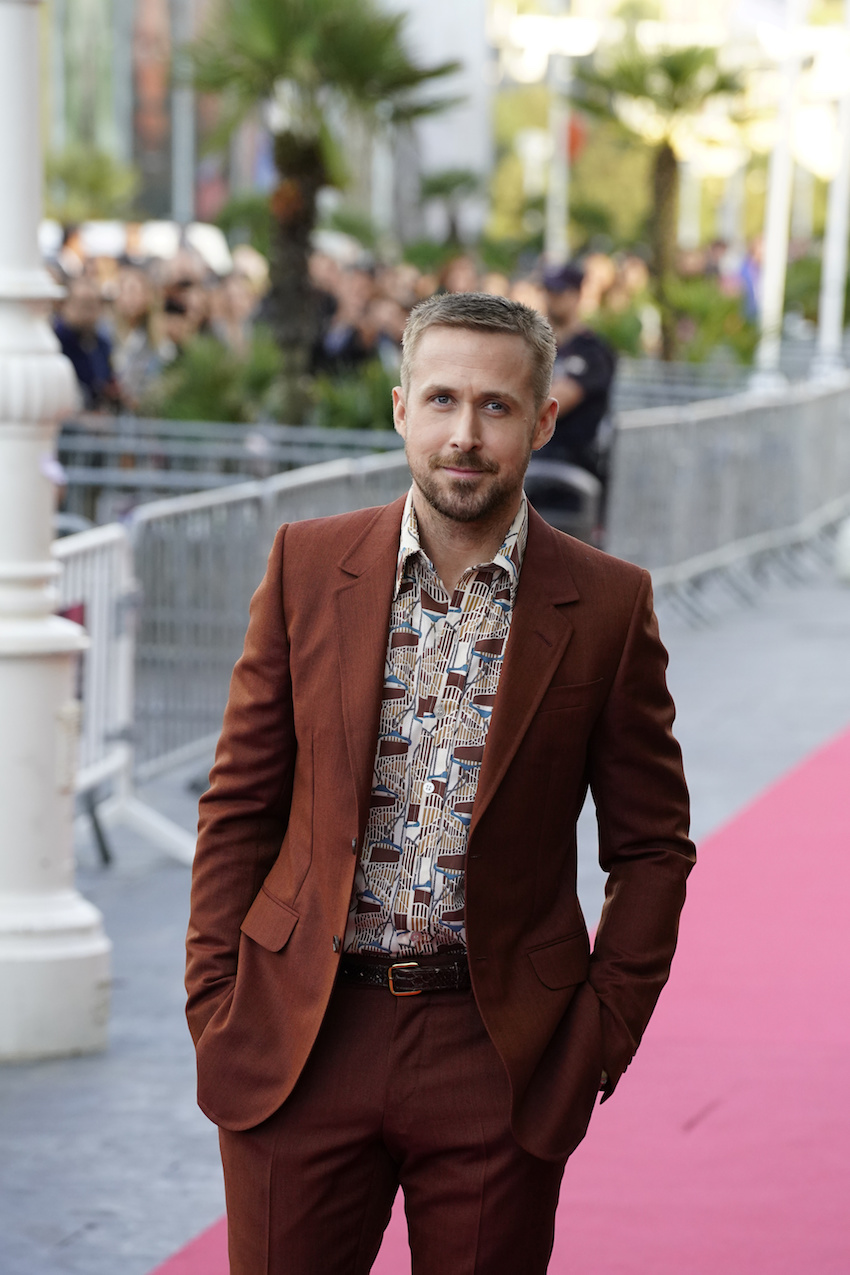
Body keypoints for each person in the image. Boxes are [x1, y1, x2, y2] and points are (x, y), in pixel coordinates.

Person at [186, 292, 695, 1274]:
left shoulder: (604, 603)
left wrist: (597, 1034)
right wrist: (216, 995)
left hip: (496, 1051)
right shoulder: (306, 564)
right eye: (442, 401)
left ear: (544, 421)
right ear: (400, 408)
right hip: (302, 1037)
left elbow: (651, 847)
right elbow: (241, 802)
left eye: (496, 408)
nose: (465, 436)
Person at [542, 261, 617, 481]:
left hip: (572, 465)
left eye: (558, 291)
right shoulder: (537, 347)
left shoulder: (593, 351)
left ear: (576, 295)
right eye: (548, 290)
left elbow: (552, 404)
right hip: (536, 458)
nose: (551, 298)